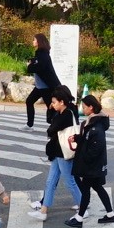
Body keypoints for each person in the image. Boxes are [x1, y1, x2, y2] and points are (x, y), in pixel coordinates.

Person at [30, 87, 82, 220]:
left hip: (63, 152)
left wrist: (52, 127)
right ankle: (43, 211)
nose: (52, 105)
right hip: (58, 152)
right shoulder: (64, 112)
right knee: (51, 181)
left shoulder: (66, 115)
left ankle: (82, 207)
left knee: (69, 181)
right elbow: (51, 127)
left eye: (54, 102)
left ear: (62, 102)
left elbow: (51, 129)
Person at [67, 95, 114, 228]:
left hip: (92, 166)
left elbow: (95, 148)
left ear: (91, 107)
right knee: (97, 188)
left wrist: (84, 160)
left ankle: (79, 218)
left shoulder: (96, 126)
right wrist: (77, 138)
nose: (82, 109)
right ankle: (110, 214)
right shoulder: (92, 122)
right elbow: (87, 139)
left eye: (84, 107)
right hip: (94, 166)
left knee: (87, 190)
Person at [24, 33, 60, 129]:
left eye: (34, 40)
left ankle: (56, 126)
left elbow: (40, 68)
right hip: (40, 86)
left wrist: (29, 66)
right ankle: (29, 124)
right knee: (29, 101)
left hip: (46, 87)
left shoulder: (42, 53)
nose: (33, 41)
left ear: (39, 41)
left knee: (51, 107)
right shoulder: (41, 53)